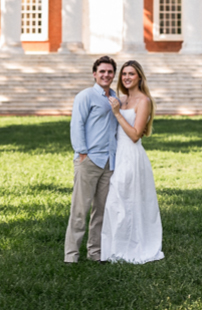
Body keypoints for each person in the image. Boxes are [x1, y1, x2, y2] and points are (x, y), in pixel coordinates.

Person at [101, 60, 164, 263]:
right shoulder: (123, 99)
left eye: (131, 74)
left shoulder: (143, 101)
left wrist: (118, 113)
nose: (127, 77)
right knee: (115, 202)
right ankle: (115, 248)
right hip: (117, 155)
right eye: (124, 74)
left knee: (128, 201)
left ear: (139, 77)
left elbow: (136, 135)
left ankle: (133, 247)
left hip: (131, 156)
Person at [64, 55, 118, 263]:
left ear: (113, 75)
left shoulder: (115, 98)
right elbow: (76, 125)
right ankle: (71, 256)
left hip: (109, 163)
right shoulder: (85, 96)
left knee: (101, 211)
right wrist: (82, 152)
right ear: (94, 74)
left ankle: (95, 253)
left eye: (110, 71)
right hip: (89, 161)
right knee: (80, 210)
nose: (106, 75)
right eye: (102, 71)